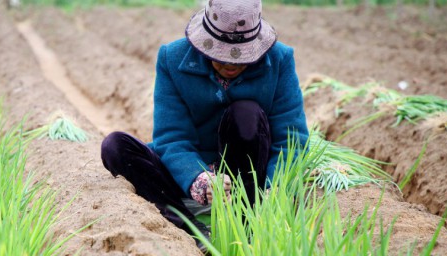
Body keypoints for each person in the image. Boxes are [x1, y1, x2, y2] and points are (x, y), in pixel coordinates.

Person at [101, 0, 309, 252]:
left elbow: (292, 138)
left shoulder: (279, 60)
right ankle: (191, 231)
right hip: (189, 175)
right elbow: (172, 138)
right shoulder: (172, 58)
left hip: (250, 177)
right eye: (221, 57)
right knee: (115, 146)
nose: (230, 65)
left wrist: (273, 190)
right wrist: (200, 180)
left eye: (240, 58)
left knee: (245, 113)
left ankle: (245, 224)